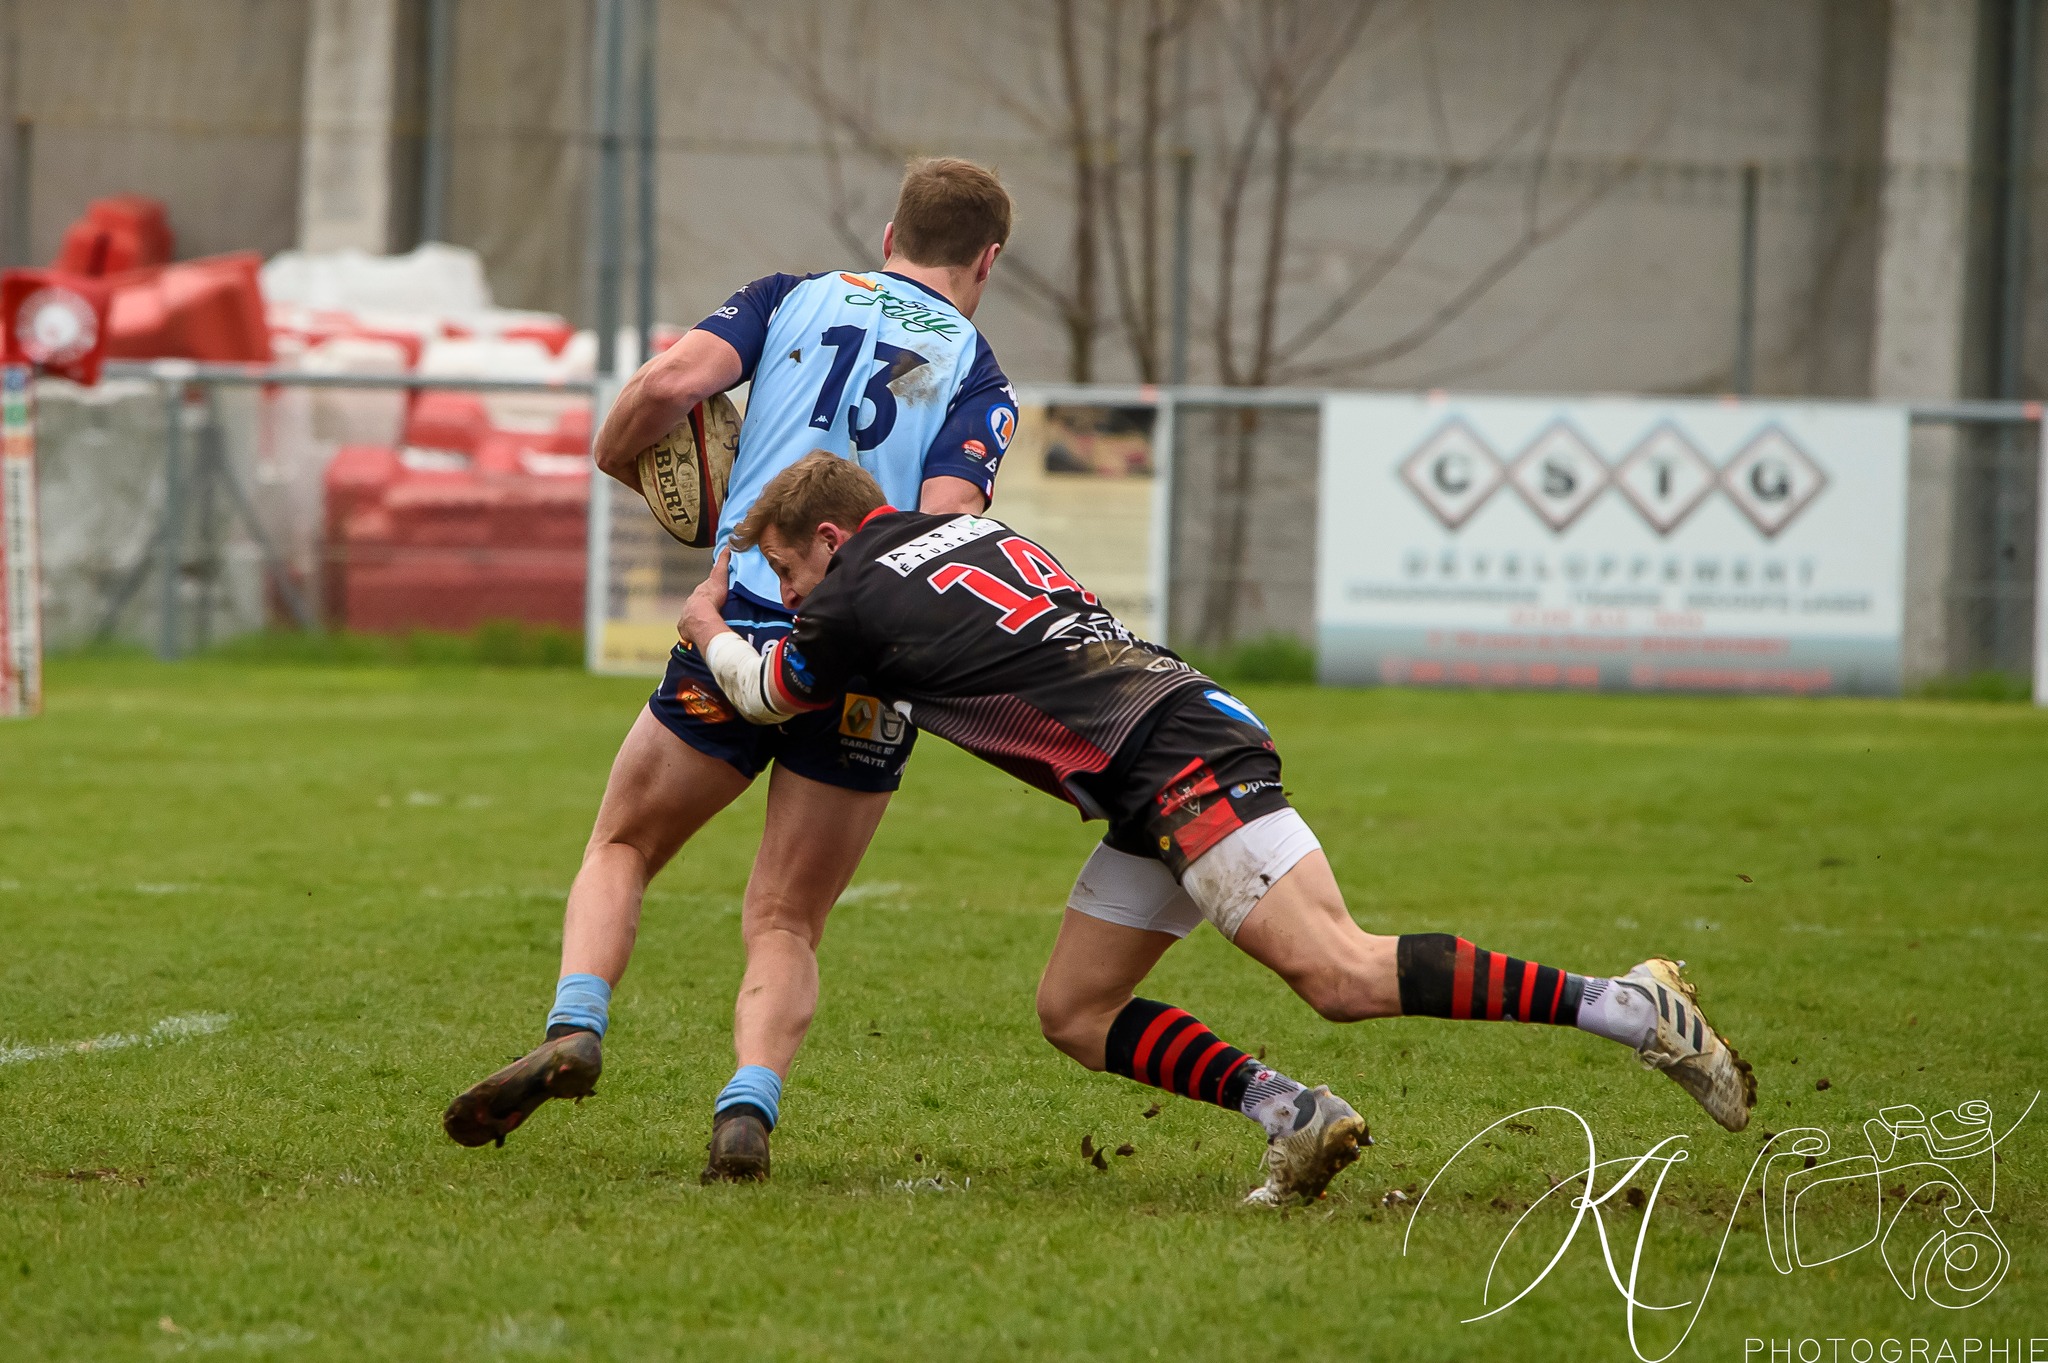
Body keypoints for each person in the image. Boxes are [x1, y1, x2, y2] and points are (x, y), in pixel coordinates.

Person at [675, 452, 1758, 1203]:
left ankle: (1625, 1005)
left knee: (1337, 974)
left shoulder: (851, 588)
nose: (789, 590)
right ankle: (1291, 1113)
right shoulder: (969, 528)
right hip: (1163, 738)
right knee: (1075, 1007)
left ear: (828, 535)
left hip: (1167, 753)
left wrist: (709, 624)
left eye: (786, 567)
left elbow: (770, 692)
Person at [442, 159, 1022, 1183]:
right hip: (867, 661)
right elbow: (944, 526)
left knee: (622, 839)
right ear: (986, 259)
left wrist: (621, 458)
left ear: (888, 234)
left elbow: (669, 387)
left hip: (742, 616)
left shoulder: (786, 298)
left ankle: (578, 1023)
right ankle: (746, 1103)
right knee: (786, 918)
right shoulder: (977, 372)